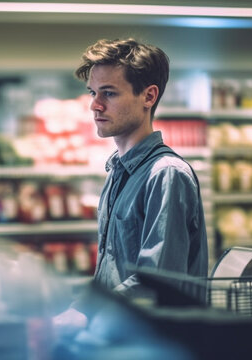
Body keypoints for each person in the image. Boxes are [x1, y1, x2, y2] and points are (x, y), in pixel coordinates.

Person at [54, 38, 208, 331]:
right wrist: (78, 309)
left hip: (154, 342)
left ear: (149, 96)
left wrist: (85, 316)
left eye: (109, 93)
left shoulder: (167, 174)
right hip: (117, 334)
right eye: (93, 92)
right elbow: (109, 272)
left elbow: (158, 282)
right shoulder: (117, 171)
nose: (94, 105)